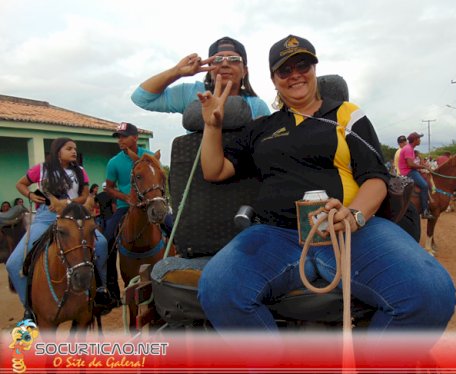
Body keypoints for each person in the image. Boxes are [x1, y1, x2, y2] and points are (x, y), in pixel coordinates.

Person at [196, 35, 456, 351]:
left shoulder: (347, 115)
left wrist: (356, 215)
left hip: (349, 229)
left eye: (302, 64)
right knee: (218, 288)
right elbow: (214, 170)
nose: (294, 74)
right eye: (284, 70)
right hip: (275, 235)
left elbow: (375, 178)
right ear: (274, 80)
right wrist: (212, 126)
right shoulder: (261, 128)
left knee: (432, 294)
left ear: (314, 68)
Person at [6, 137, 112, 320]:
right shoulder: (41, 169)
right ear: (57, 151)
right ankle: (29, 308)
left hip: (73, 217)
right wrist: (31, 194)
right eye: (69, 148)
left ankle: (100, 289)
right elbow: (20, 184)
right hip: (45, 219)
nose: (73, 151)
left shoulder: (80, 171)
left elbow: (85, 195)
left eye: (75, 148)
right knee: (13, 264)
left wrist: (64, 203)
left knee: (101, 244)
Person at [131, 36, 270, 119]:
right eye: (217, 59)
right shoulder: (192, 93)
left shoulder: (256, 106)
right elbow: (140, 98)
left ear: (244, 71)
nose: (225, 63)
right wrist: (177, 71)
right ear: (209, 69)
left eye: (234, 59)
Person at [103, 122, 157, 304]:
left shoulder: (149, 157)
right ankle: (110, 290)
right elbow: (108, 188)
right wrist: (125, 198)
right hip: (125, 207)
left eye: (124, 136)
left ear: (135, 138)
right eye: (118, 137)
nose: (120, 140)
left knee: (171, 226)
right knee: (107, 240)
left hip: (149, 203)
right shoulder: (114, 162)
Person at [399, 132, 434, 219]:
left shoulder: (410, 148)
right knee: (424, 186)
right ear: (415, 140)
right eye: (419, 138)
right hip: (409, 172)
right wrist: (424, 167)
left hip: (411, 170)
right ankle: (425, 211)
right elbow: (410, 164)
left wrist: (422, 167)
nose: (420, 140)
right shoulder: (408, 149)